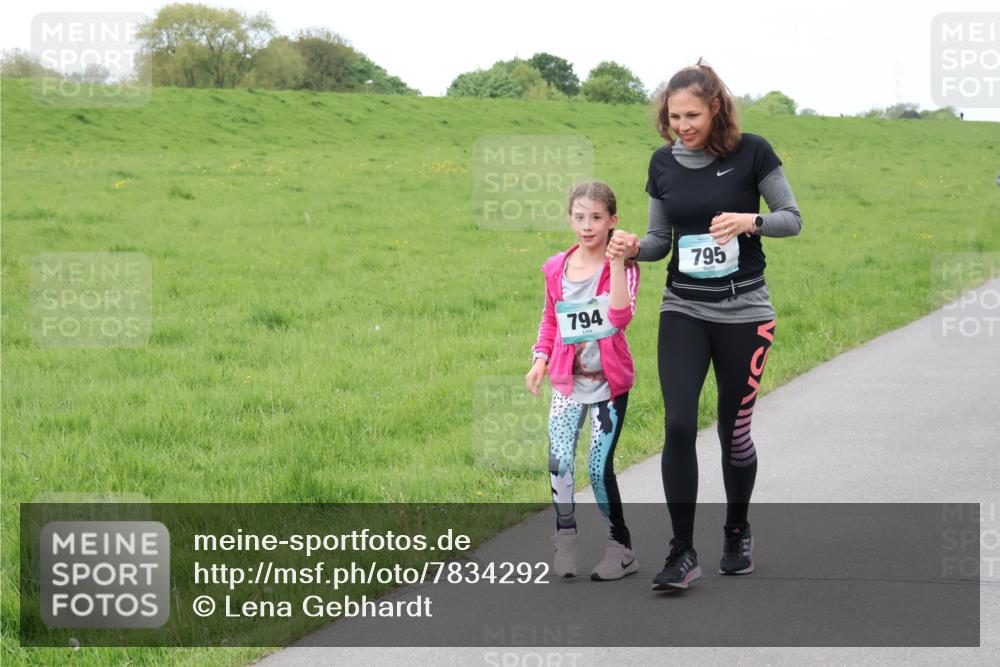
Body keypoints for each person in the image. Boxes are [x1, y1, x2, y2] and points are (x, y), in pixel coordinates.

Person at [607, 59, 803, 590]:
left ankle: (736, 530)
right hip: (684, 309)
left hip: (745, 312)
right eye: (674, 117)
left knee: (734, 433)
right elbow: (658, 242)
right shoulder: (662, 163)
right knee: (677, 423)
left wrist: (750, 221)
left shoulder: (753, 152)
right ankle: (681, 550)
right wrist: (629, 249)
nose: (682, 126)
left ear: (716, 108)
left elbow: (792, 217)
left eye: (692, 114)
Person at [525, 181, 641, 581]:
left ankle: (620, 548)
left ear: (612, 221)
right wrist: (540, 358)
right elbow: (550, 320)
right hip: (567, 384)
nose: (587, 225)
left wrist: (617, 263)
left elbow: (621, 318)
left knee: (597, 469)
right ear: (569, 219)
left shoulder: (624, 267)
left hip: (608, 384)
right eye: (579, 217)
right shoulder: (556, 267)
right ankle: (566, 539)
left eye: (596, 217)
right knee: (558, 465)